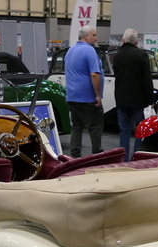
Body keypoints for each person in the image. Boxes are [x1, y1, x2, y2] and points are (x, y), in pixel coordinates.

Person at [113, 29, 152, 161]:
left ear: (123, 40)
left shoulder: (117, 56)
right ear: (137, 41)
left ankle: (124, 159)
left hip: (121, 99)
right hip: (138, 100)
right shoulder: (141, 55)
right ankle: (137, 157)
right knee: (140, 130)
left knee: (124, 131)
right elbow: (147, 79)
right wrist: (150, 99)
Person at [64, 25, 103, 158]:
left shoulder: (70, 51)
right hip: (86, 97)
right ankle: (97, 155)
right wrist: (97, 95)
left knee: (77, 127)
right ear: (86, 36)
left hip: (72, 96)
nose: (96, 38)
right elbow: (94, 75)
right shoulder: (89, 51)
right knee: (95, 127)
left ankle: (75, 155)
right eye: (94, 35)